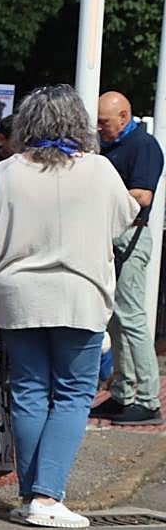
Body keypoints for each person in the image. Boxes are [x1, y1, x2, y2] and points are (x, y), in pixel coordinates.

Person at [0, 85, 138, 527]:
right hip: (79, 295)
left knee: (27, 390)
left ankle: (32, 494)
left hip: (17, 296)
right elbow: (123, 221)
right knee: (73, 393)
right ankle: (46, 495)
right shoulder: (99, 170)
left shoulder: (6, 171)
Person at [91, 91, 165, 425]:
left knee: (132, 318)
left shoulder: (144, 146)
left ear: (124, 116)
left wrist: (105, 193)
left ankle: (148, 398)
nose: (100, 128)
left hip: (131, 234)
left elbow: (144, 194)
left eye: (104, 122)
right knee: (117, 318)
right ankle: (122, 392)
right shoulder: (107, 145)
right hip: (113, 235)